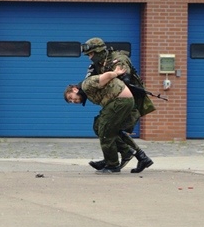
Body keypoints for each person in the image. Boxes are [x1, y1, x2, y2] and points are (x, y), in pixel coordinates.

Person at [81, 37, 154, 173]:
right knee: (103, 127)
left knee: (107, 128)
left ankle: (117, 159)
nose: (90, 58)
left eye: (91, 54)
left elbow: (124, 79)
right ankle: (137, 157)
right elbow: (93, 80)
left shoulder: (119, 59)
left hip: (129, 101)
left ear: (99, 51)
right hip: (115, 100)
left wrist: (110, 76)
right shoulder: (98, 64)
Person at [64, 63, 152, 174]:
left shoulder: (86, 85)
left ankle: (112, 164)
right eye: (71, 101)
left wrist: (115, 73)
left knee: (105, 130)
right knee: (100, 126)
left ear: (75, 89)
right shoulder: (88, 93)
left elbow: (105, 76)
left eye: (71, 97)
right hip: (120, 102)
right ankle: (135, 155)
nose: (73, 101)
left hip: (121, 101)